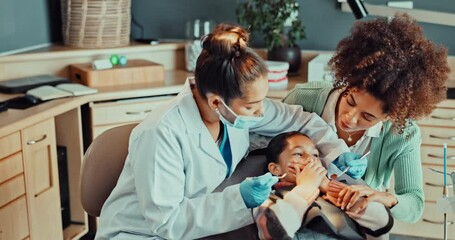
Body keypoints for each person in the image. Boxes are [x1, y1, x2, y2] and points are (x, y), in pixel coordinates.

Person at [95, 23, 361, 239]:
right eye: (252, 106)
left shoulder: (235, 109)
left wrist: (337, 151)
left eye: (262, 102)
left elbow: (300, 120)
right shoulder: (161, 134)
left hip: (195, 229)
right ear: (215, 102)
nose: (260, 113)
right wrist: (240, 199)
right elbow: (167, 222)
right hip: (139, 233)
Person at [283, 13, 450, 223]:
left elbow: (414, 206)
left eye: (367, 116)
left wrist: (384, 198)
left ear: (391, 115)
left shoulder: (403, 134)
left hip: (361, 226)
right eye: (350, 100)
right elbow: (261, 151)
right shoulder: (304, 98)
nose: (350, 119)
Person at [255, 131, 393, 239]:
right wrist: (306, 187)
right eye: (298, 154)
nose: (310, 160)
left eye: (315, 155)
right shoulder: (264, 198)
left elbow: (382, 222)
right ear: (275, 169)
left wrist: (332, 188)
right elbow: (276, 229)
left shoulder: (337, 193)